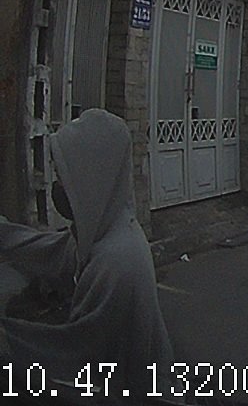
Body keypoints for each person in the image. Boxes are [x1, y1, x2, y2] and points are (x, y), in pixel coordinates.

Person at [0, 108, 174, 394]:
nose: (58, 187)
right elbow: (50, 251)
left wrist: (9, 337)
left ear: (90, 178)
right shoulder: (106, 230)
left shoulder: (117, 261)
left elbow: (75, 354)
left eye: (63, 177)